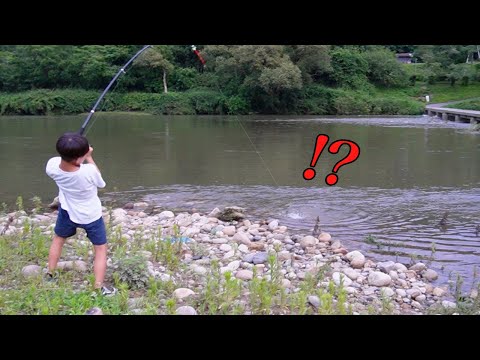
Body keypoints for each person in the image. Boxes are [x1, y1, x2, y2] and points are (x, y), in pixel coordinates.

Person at [45, 132, 115, 296]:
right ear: (79, 158)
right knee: (100, 249)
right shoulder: (88, 171)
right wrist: (89, 157)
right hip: (91, 216)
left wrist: (75, 148)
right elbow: (101, 183)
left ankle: (50, 274)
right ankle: (98, 288)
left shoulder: (52, 166)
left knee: (58, 239)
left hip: (67, 211)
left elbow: (65, 159)